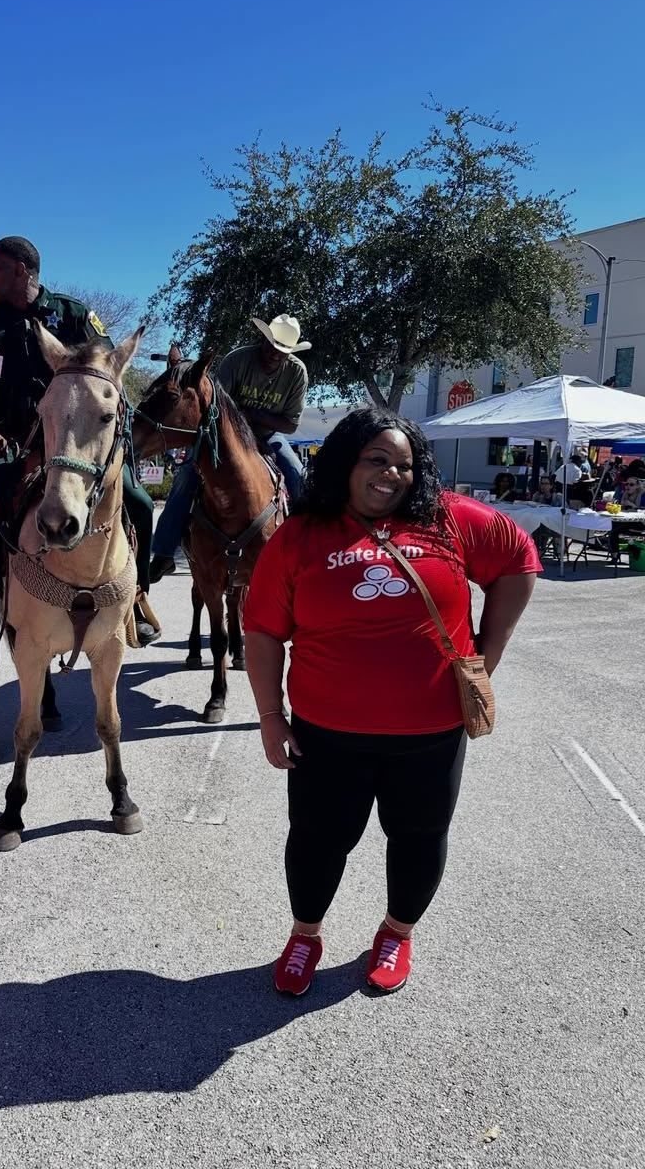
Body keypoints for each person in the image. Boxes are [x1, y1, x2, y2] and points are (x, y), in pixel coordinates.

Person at [242, 407, 540, 996]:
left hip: (431, 732)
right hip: (326, 733)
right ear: (345, 463)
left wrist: (487, 651)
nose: (391, 474)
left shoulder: (447, 518)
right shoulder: (300, 536)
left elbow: (518, 559)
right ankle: (305, 934)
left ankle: (397, 932)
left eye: (405, 464)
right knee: (316, 839)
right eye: (376, 460)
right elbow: (263, 631)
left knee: (420, 836)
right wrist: (271, 717)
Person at [0, 235, 157, 657]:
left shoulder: (74, 315)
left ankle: (136, 595)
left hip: (75, 440)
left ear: (21, 271)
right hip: (14, 440)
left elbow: (108, 376)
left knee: (139, 499)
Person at [148, 314, 310, 583]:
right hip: (224, 437)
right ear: (263, 339)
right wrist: (239, 417)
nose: (275, 354)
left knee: (296, 473)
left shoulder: (296, 373)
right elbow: (216, 408)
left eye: (283, 351)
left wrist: (250, 413)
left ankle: (307, 548)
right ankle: (164, 552)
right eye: (272, 346)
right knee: (187, 474)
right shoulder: (237, 360)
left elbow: (290, 425)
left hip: (269, 437)